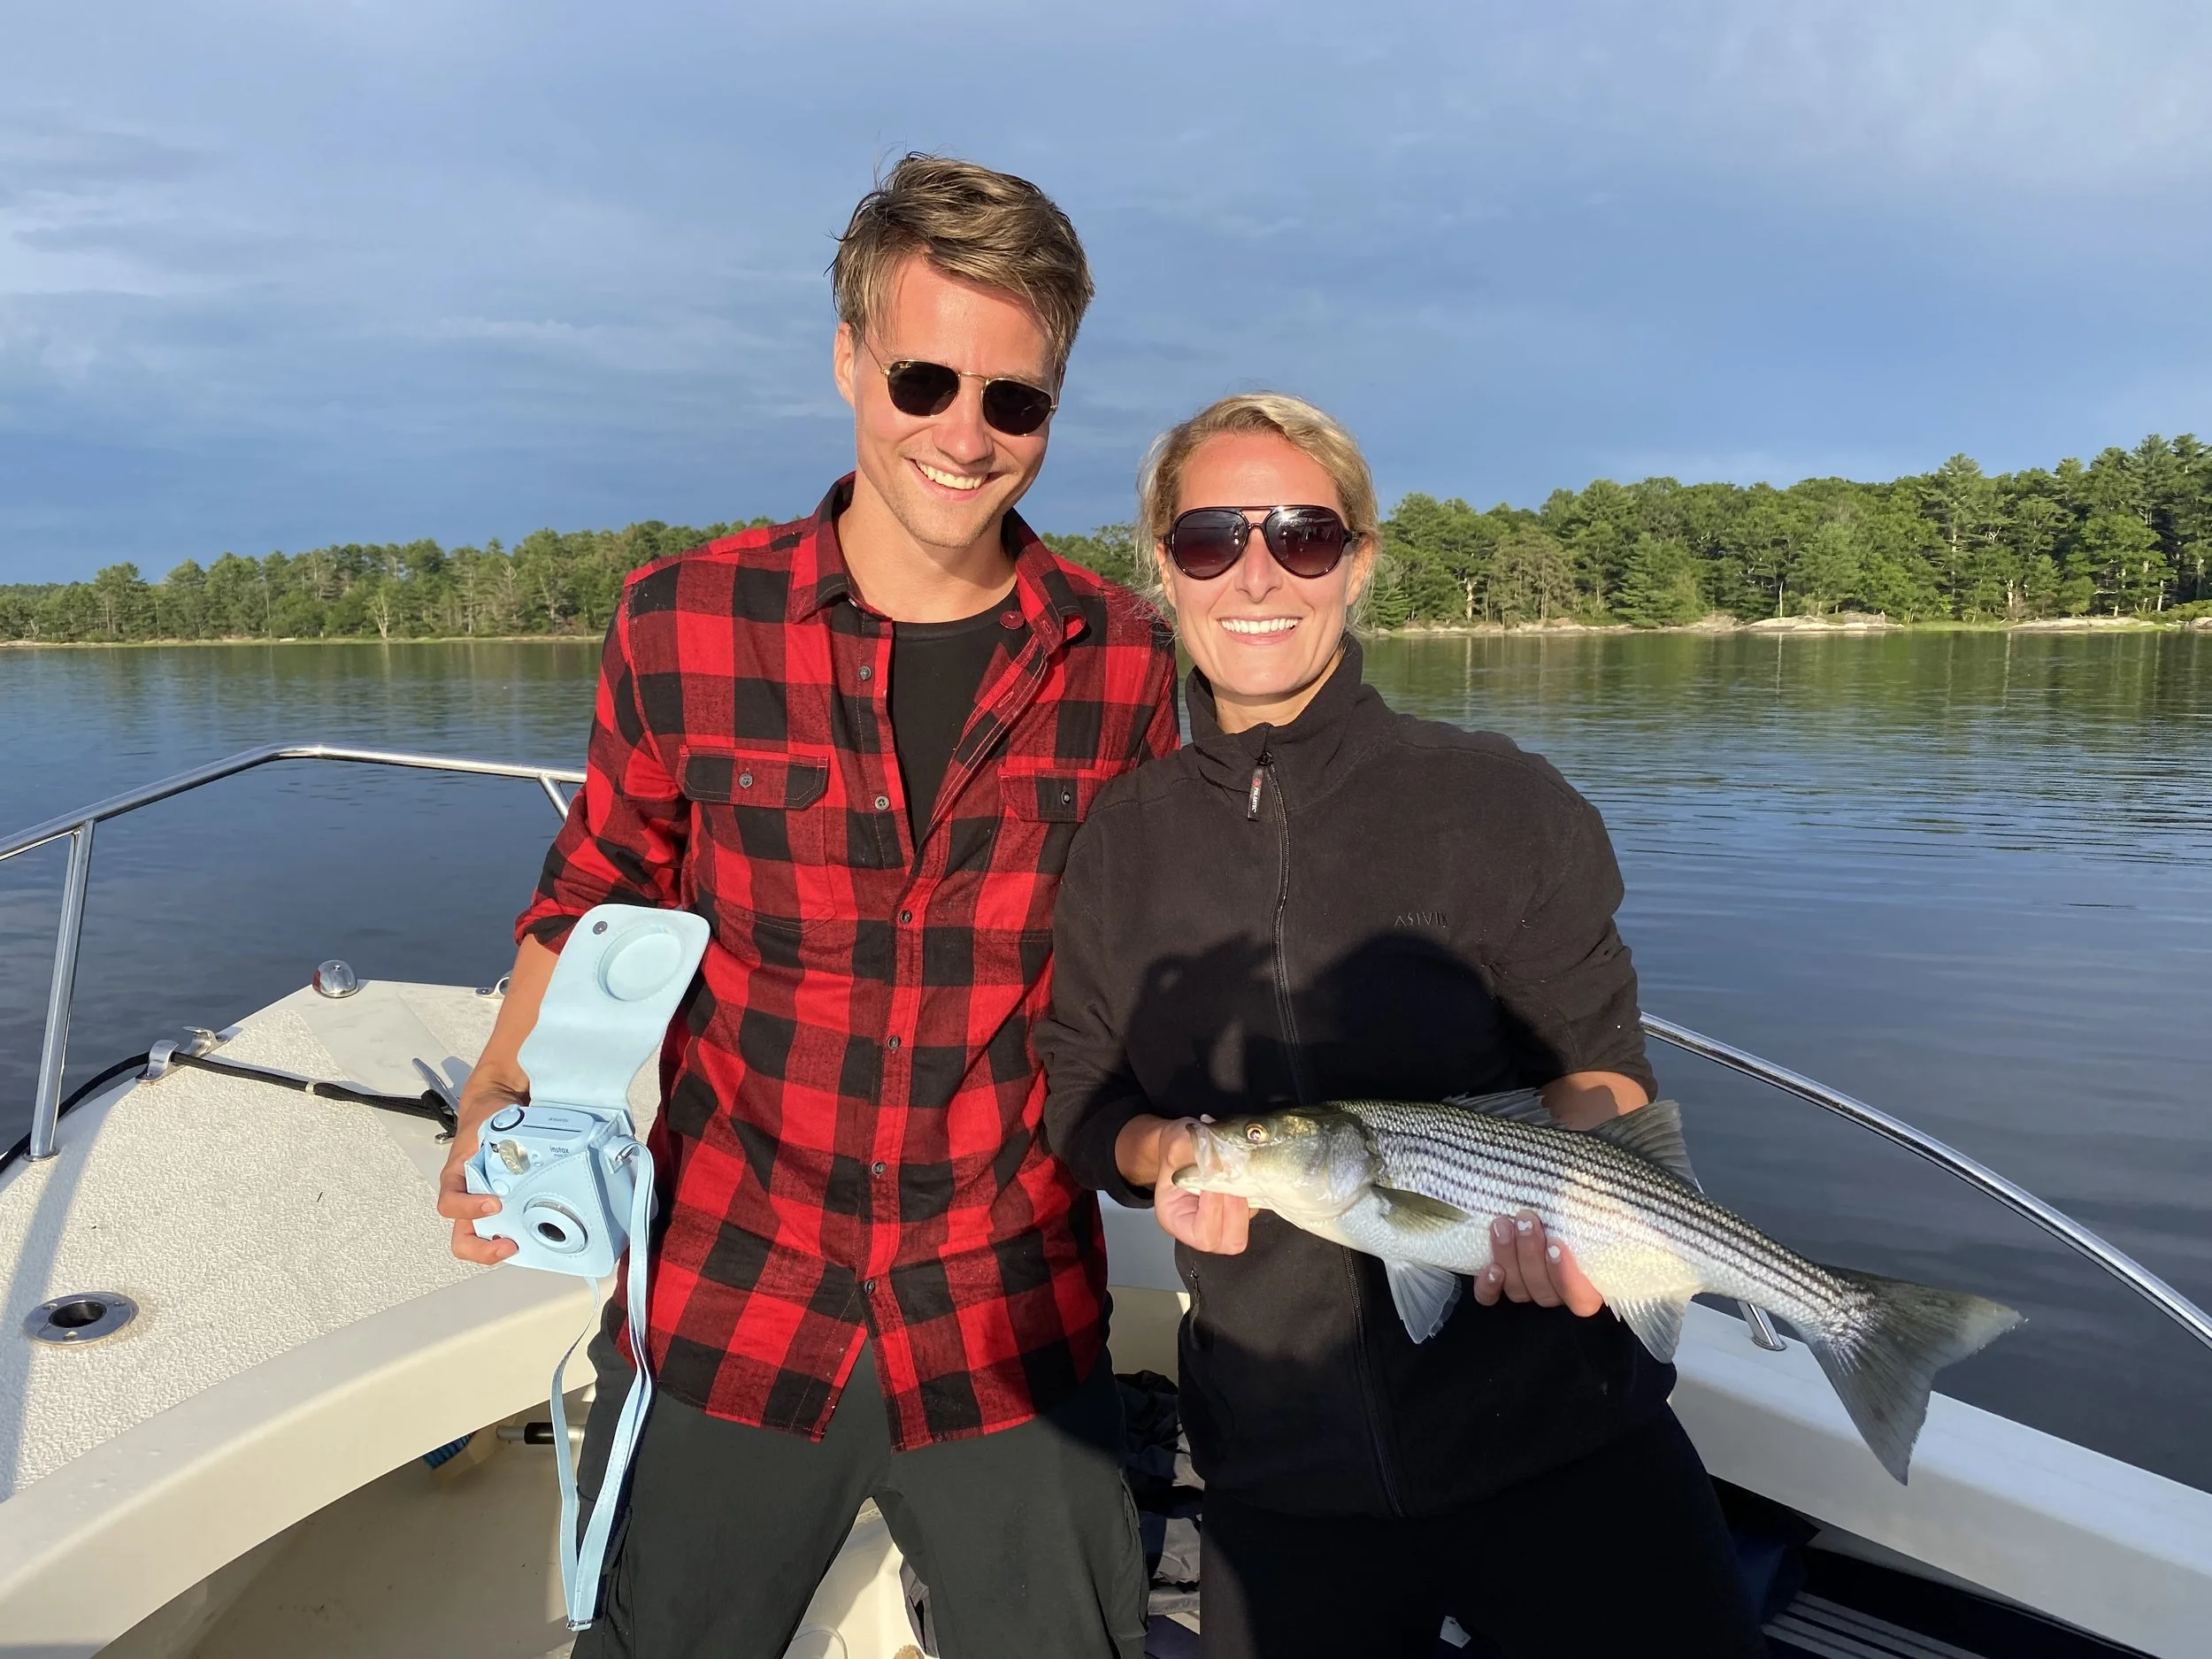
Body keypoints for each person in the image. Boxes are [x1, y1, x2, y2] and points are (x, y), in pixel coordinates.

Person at [437, 155, 1178, 1659]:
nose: (964, 436)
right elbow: (593, 888)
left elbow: (1187, 946)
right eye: (924, 378)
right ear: (847, 359)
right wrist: (500, 1089)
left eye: (1013, 399)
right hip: (732, 1290)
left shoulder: (1125, 661)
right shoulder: (679, 621)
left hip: (1006, 1311)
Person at [1037, 393, 1766, 1658]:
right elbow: (1083, 1097)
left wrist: (1582, 1207)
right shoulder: (1120, 846)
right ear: (1162, 565)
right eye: (1211, 538)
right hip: (1280, 1462)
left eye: (1303, 537)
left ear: (1360, 557)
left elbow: (1602, 1069)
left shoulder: (1501, 802)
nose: (1256, 574)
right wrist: (1168, 1157)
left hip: (1558, 1435)